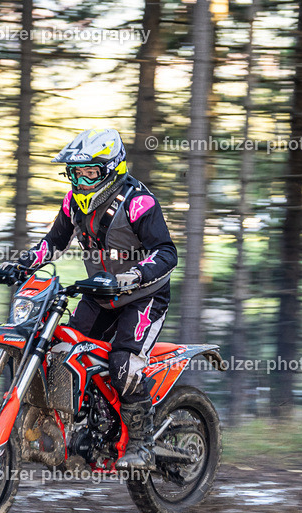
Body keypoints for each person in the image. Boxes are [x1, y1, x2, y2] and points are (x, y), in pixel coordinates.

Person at [9, 128, 178, 470]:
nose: (81, 179)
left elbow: (166, 253)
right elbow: (52, 244)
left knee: (123, 362)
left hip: (144, 296)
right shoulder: (73, 202)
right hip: (100, 292)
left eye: (90, 172)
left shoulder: (138, 201)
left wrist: (134, 276)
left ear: (111, 167)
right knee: (61, 352)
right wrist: (16, 265)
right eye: (75, 172)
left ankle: (143, 443)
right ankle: (83, 426)